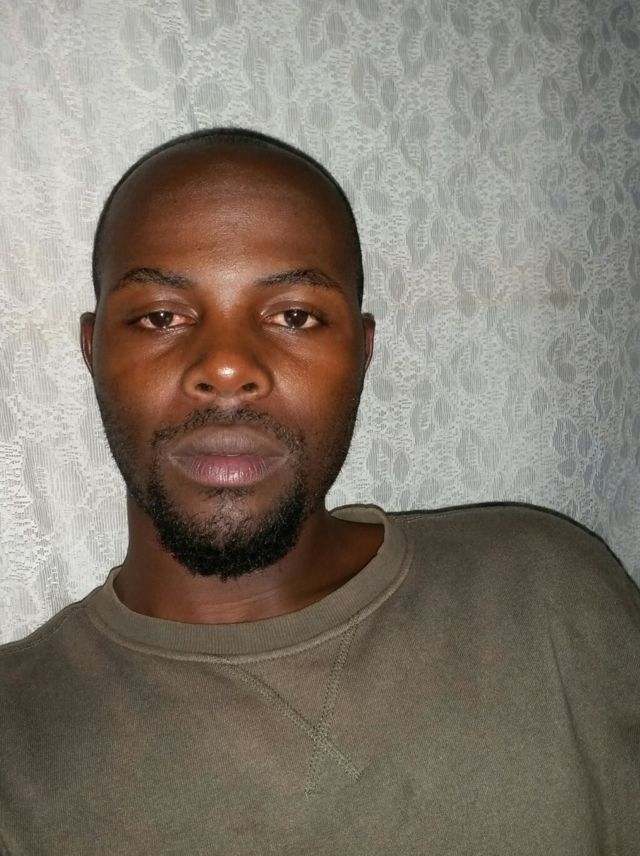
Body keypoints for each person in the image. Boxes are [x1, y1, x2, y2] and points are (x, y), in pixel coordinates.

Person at [1, 128, 639, 856]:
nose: (228, 368)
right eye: (162, 317)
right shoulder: (17, 743)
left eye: (295, 316)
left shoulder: (546, 593)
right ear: (94, 351)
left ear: (361, 354)